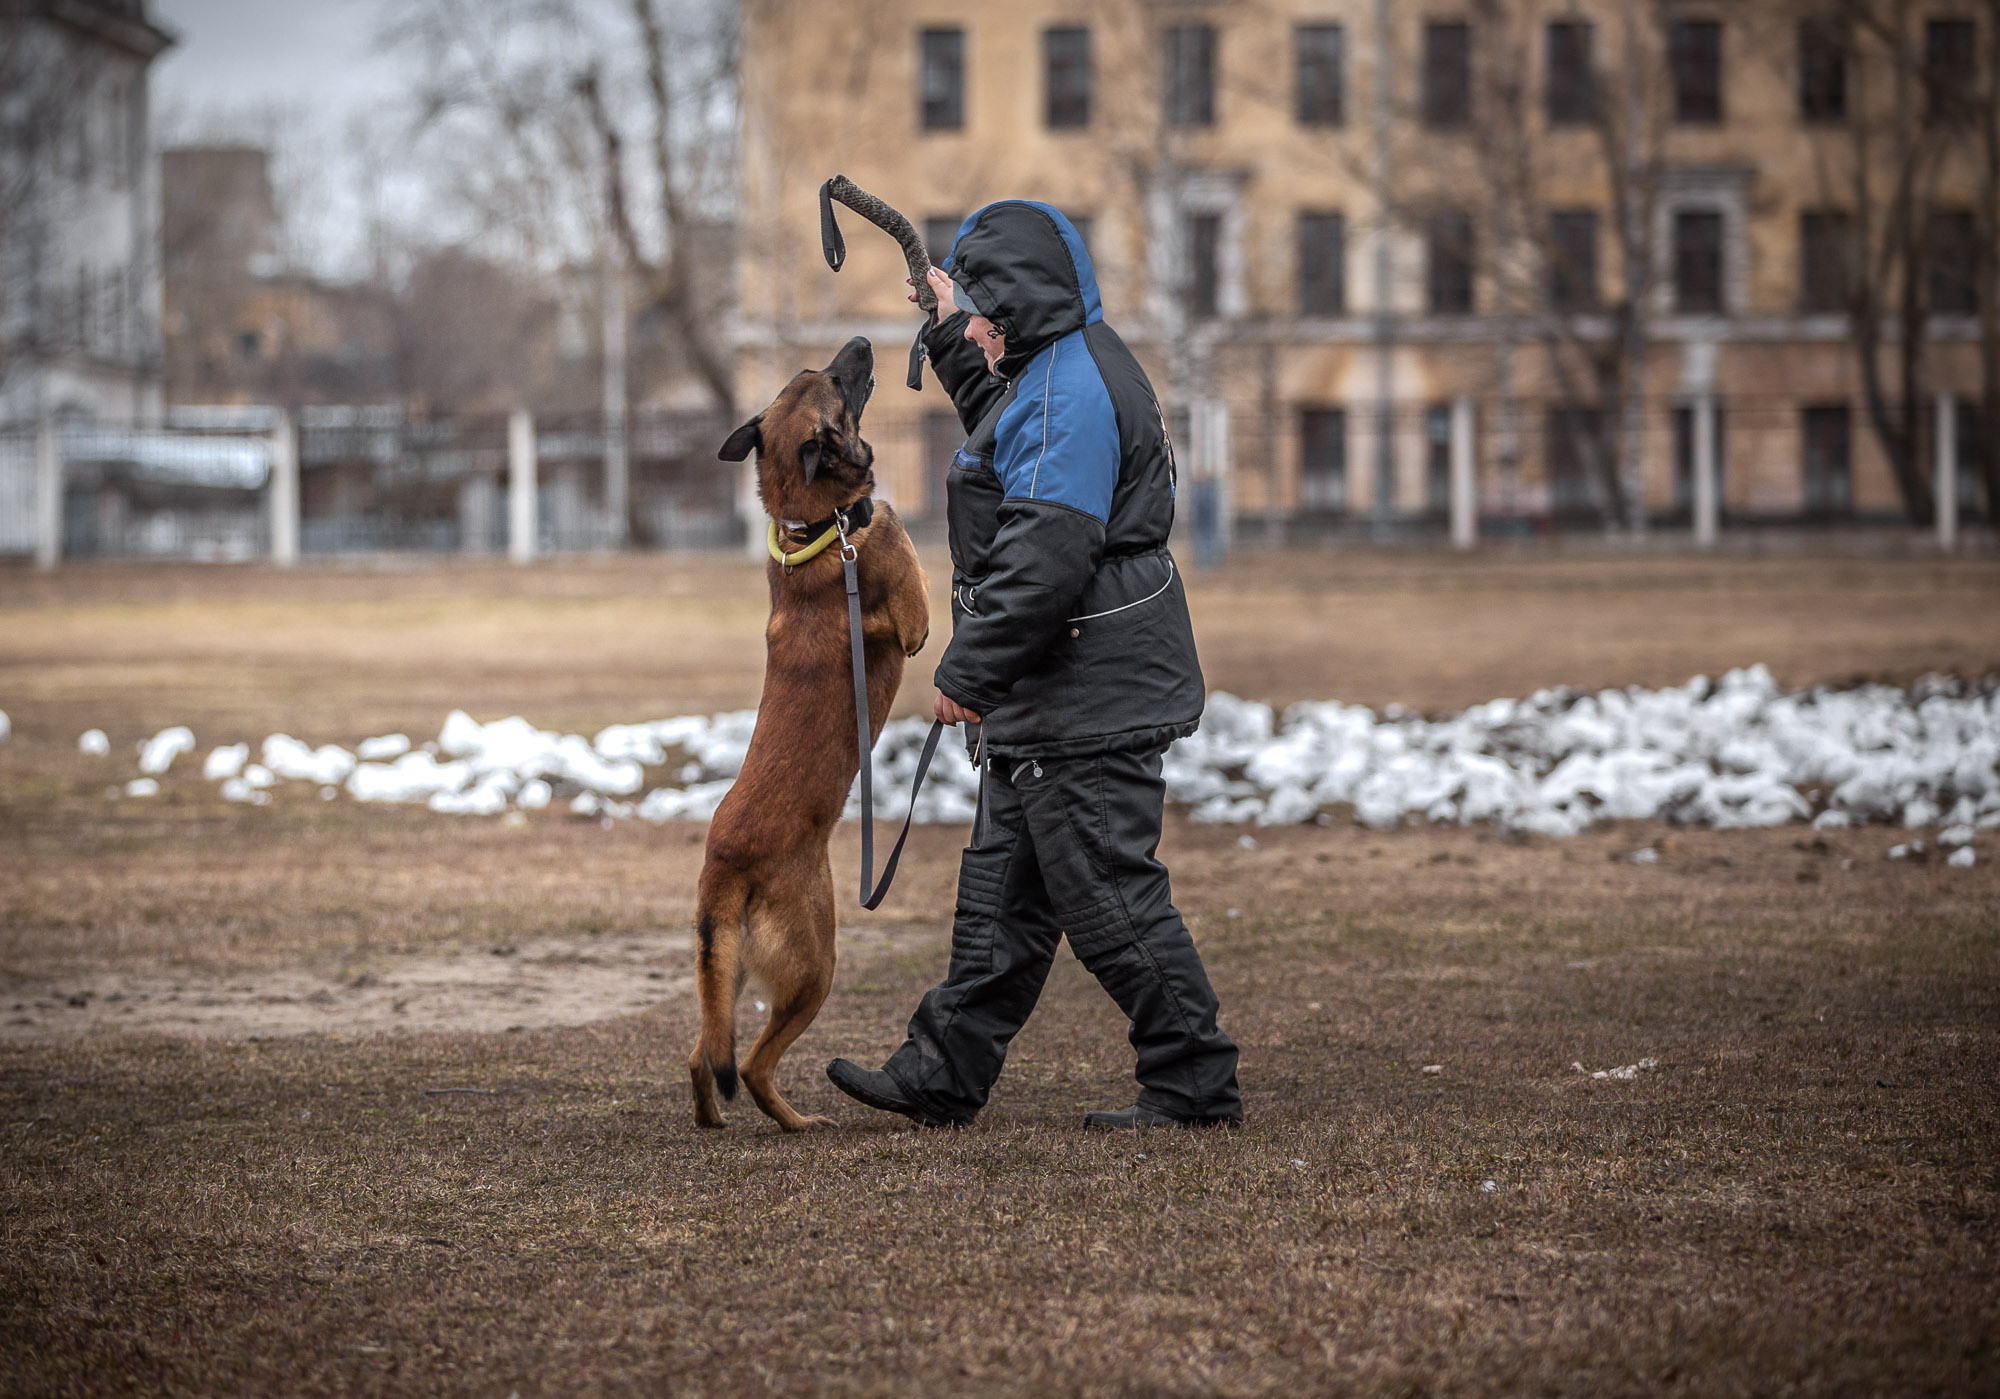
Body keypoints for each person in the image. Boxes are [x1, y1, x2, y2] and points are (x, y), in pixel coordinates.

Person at [825, 200, 1242, 1131]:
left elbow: (1045, 555)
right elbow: (1006, 422)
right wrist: (945, 333)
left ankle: (1195, 1082)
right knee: (1003, 902)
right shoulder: (1056, 371)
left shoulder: (1072, 393)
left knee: (1105, 891)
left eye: (981, 310)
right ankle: (943, 1071)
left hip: (1088, 688)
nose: (975, 325)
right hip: (1062, 687)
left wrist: (968, 672)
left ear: (1017, 306)